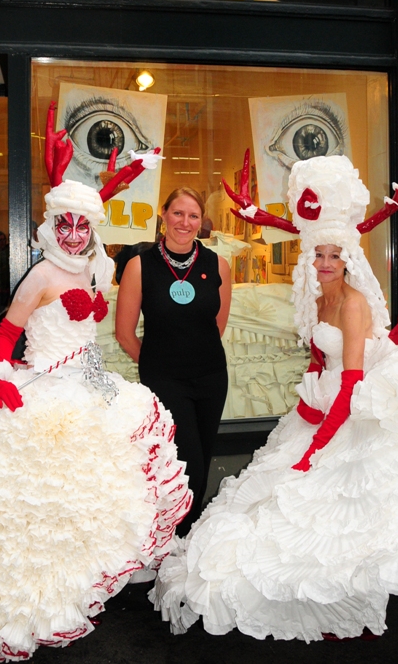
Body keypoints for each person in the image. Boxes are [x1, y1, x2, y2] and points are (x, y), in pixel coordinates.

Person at [151, 151, 398, 642]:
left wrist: (317, 446)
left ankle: (344, 595)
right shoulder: (319, 297)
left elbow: (350, 384)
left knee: (343, 513)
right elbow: (320, 363)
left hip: (355, 409)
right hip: (323, 406)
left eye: (335, 257)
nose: (325, 264)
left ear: (351, 260)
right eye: (319, 255)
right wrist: (306, 411)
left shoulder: (351, 304)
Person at [0, 103, 191, 662]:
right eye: (64, 223)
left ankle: (110, 564)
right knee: (44, 490)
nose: (72, 233)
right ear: (52, 225)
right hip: (46, 385)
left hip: (90, 380)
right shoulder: (41, 274)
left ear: (93, 228)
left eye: (82, 224)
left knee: (116, 468)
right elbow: (5, 333)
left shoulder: (98, 268)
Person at [116, 188, 232, 535]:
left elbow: (218, 325)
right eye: (178, 213)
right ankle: (177, 537)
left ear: (201, 221)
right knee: (187, 463)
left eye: (193, 215)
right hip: (166, 382)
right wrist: (157, 366)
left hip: (211, 378)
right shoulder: (139, 266)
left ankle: (183, 537)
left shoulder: (217, 264)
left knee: (203, 459)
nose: (185, 222)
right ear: (163, 215)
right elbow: (124, 333)